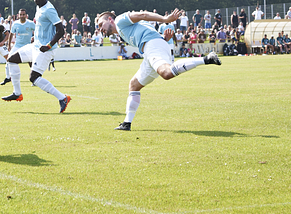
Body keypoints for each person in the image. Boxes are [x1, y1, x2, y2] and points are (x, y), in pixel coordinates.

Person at [94, 8, 222, 131]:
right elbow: (146, 28)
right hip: (151, 49)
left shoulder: (120, 20)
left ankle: (207, 59)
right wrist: (163, 38)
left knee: (166, 73)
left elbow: (143, 15)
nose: (100, 29)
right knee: (134, 85)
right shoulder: (122, 31)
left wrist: (165, 19)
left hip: (152, 46)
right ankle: (126, 123)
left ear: (110, 19)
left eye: (101, 24)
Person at [1, 0, 71, 112]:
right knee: (11, 59)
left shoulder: (49, 10)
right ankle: (17, 93)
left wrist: (49, 45)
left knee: (34, 78)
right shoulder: (39, 7)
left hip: (46, 49)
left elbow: (61, 30)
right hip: (36, 46)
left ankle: (62, 98)